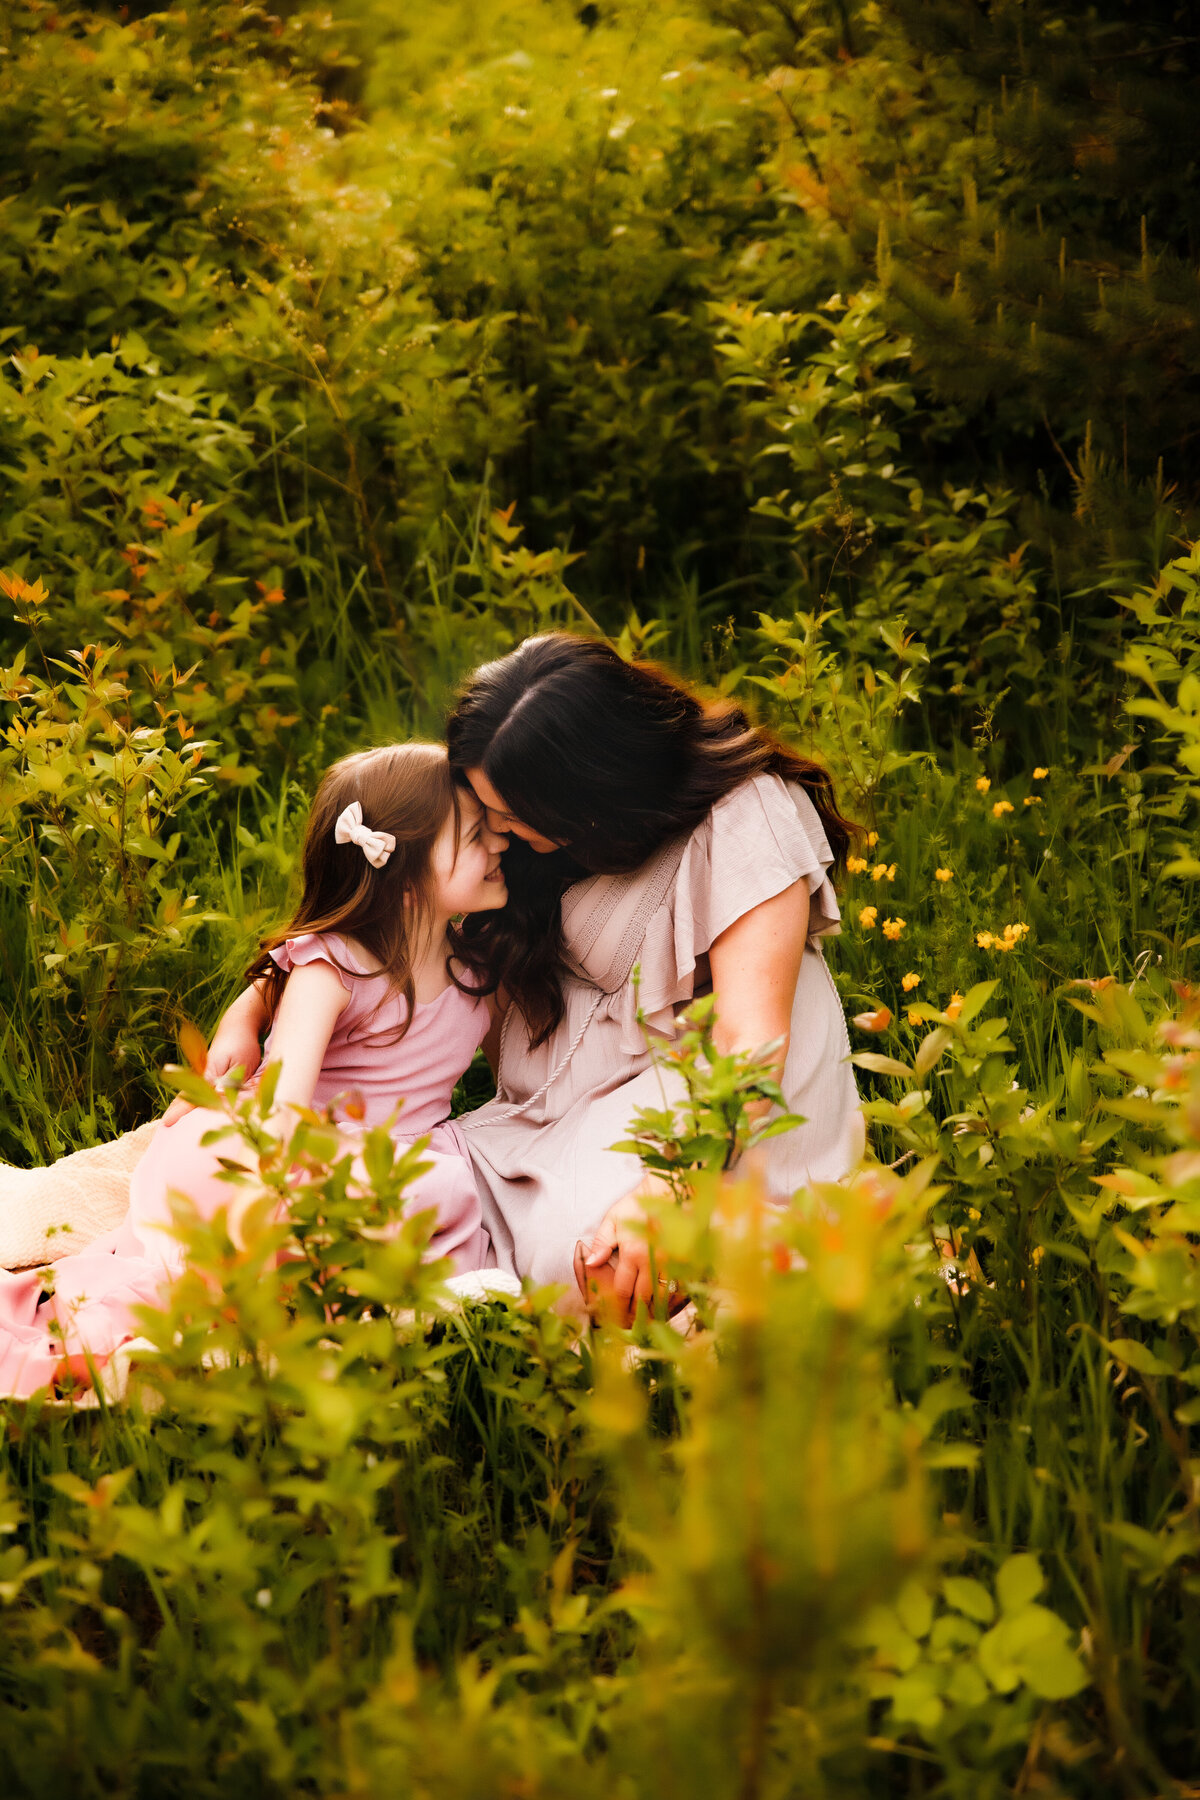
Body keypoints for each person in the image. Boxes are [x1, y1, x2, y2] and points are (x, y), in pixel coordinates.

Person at [190, 636, 864, 1323]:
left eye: (509, 813)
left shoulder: (745, 811)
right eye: (485, 814)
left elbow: (750, 1039)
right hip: (546, 1115)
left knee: (589, 1264)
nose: (496, 832)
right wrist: (252, 1009)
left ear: (589, 789)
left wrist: (669, 1188)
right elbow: (371, 917)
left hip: (711, 1108)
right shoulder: (518, 839)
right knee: (417, 1212)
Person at [0, 742, 508, 1397]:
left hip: (399, 1151)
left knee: (434, 1196)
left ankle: (366, 1294)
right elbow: (283, 1107)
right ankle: (108, 1333)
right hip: (291, 1145)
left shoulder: (476, 966)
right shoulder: (338, 969)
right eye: (474, 834)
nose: (498, 842)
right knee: (277, 1244)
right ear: (406, 877)